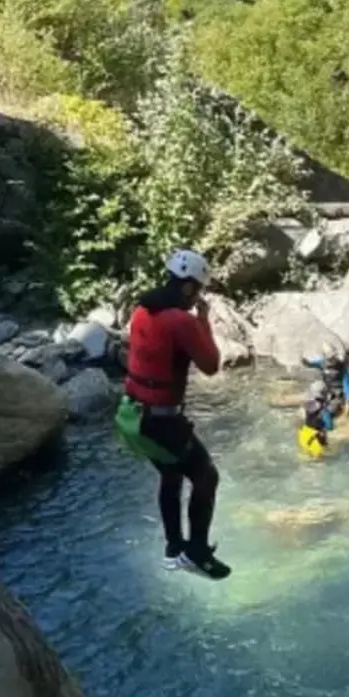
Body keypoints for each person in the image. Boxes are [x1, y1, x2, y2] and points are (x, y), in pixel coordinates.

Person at [114, 249, 229, 580]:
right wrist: (204, 322)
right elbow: (210, 365)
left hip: (133, 415)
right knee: (207, 477)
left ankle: (173, 548)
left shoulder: (141, 310)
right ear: (189, 287)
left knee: (171, 473)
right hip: (162, 421)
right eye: (199, 289)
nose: (199, 297)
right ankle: (196, 553)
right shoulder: (182, 320)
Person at [301, 342, 349, 417]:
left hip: (339, 396)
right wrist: (303, 360)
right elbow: (310, 364)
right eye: (330, 358)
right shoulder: (323, 363)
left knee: (326, 413)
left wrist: (348, 401)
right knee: (315, 395)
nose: (332, 360)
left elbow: (347, 386)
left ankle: (329, 426)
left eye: (334, 357)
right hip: (328, 393)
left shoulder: (342, 367)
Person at [298, 381, 335, 459]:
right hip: (316, 440)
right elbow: (330, 427)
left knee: (304, 456)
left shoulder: (307, 405)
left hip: (304, 435)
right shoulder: (324, 410)